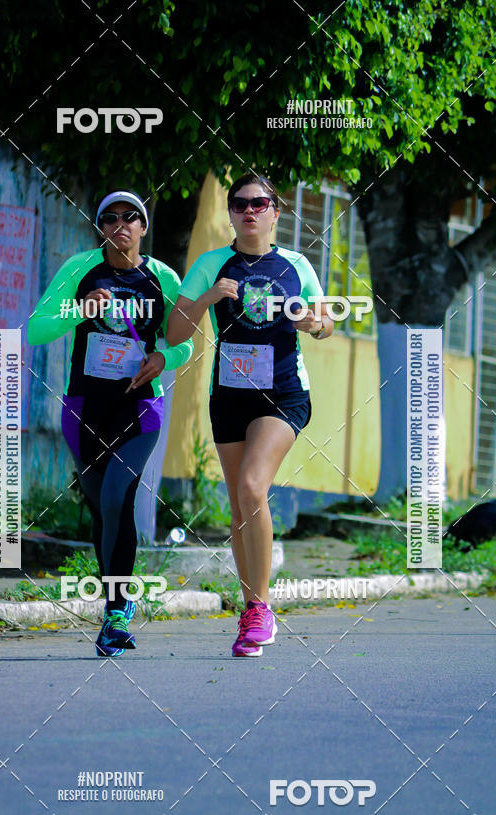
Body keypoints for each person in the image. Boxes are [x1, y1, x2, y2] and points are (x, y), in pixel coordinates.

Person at [166, 173, 333, 658]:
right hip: (230, 397)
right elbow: (175, 334)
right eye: (238, 204)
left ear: (276, 212)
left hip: (283, 394)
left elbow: (325, 322)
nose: (249, 211)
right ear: (230, 212)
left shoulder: (296, 264)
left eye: (259, 203)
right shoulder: (211, 264)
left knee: (252, 488)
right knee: (240, 509)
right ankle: (250, 611)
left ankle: (261, 608)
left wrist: (313, 323)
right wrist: (208, 299)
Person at [27, 190, 193, 657]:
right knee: (103, 509)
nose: (121, 224)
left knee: (120, 495)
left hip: (140, 408)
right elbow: (36, 328)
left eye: (131, 217)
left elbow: (188, 342)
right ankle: (115, 608)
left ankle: (116, 613)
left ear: (143, 227)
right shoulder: (80, 269)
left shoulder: (161, 277)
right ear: (100, 227)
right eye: (110, 218)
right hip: (84, 408)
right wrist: (80, 310)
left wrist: (164, 357)